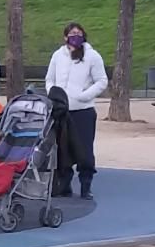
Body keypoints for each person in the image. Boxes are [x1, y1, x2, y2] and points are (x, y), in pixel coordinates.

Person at [45, 22, 108, 200]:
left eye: (79, 33)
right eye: (72, 34)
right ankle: (64, 186)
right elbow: (49, 78)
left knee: (84, 150)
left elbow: (101, 81)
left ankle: (86, 186)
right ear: (65, 37)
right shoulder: (58, 56)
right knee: (62, 149)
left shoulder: (92, 56)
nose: (75, 36)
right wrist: (54, 94)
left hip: (83, 111)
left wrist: (84, 95)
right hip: (61, 111)